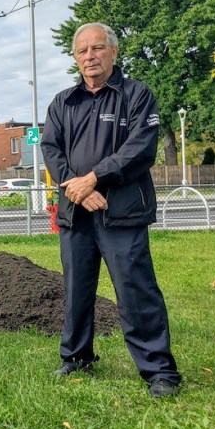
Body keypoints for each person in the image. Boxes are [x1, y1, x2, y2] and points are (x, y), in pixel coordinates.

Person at [41, 22, 181, 398]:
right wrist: (78, 188)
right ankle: (76, 356)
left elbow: (140, 148)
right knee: (76, 289)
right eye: (82, 50)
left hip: (122, 213)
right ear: (75, 58)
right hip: (76, 211)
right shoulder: (62, 102)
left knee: (136, 290)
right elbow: (51, 150)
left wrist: (93, 178)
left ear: (114, 52)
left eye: (97, 48)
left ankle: (159, 371)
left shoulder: (136, 95)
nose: (90, 56)